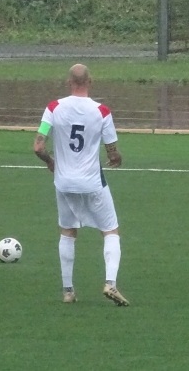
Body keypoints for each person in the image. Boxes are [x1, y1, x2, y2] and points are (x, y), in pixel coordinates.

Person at [33, 64, 129, 306]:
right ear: (90, 81)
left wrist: (50, 162)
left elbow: (38, 146)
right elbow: (112, 151)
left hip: (64, 182)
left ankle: (68, 291)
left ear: (68, 82)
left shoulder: (53, 108)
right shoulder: (102, 111)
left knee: (67, 231)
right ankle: (110, 283)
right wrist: (116, 158)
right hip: (92, 182)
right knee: (110, 230)